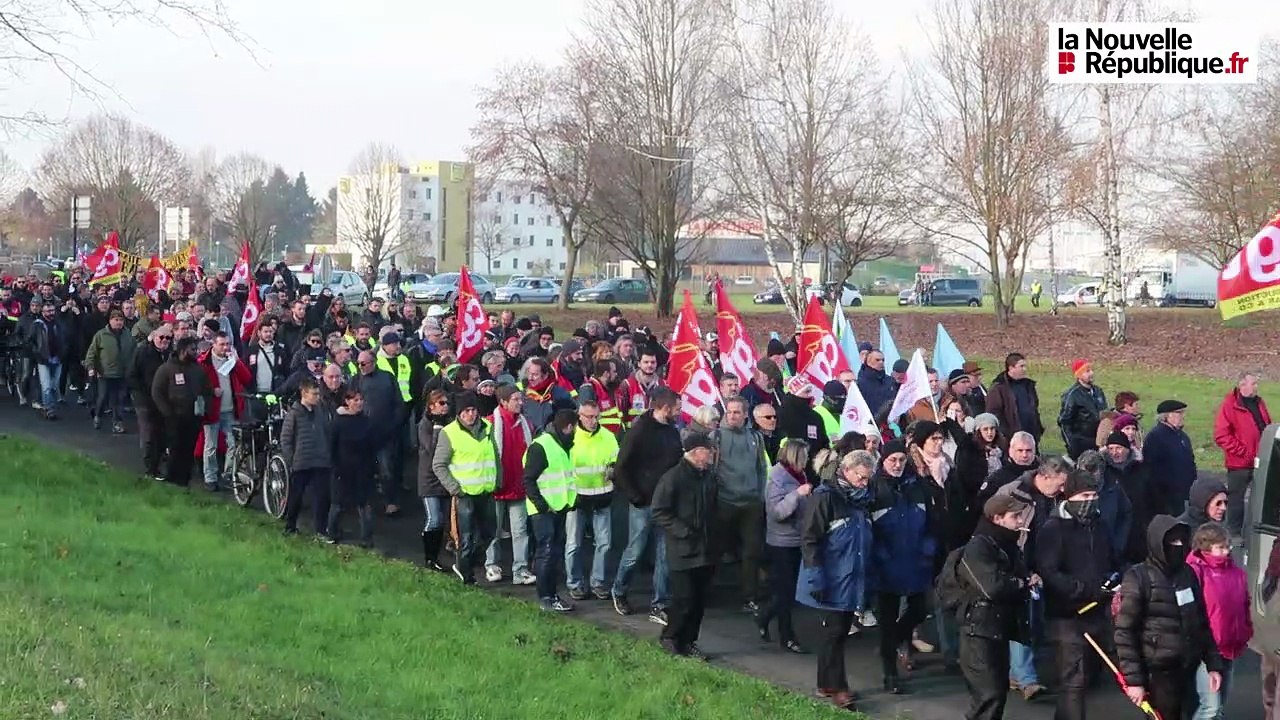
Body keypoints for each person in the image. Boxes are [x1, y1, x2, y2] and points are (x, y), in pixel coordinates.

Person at [1113, 515, 1225, 719]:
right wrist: (1135, 681)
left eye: (1182, 541)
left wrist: (1213, 664)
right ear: (1158, 543)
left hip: (1188, 665)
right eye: (1173, 541)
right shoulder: (1138, 577)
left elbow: (1201, 622)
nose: (1179, 546)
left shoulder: (1188, 574)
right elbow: (1125, 632)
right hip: (1158, 672)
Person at [1037, 469, 1120, 720]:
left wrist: (1113, 581)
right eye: (1084, 495)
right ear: (1069, 496)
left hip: (1098, 611)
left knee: (1086, 678)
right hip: (1067, 616)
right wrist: (1082, 590)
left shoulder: (1100, 525)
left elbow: (1114, 560)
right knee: (1074, 680)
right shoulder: (1053, 529)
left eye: (1093, 495)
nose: (1090, 501)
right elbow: (1049, 572)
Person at [796, 449, 875, 711]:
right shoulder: (825, 498)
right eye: (862, 478)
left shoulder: (860, 499)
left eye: (867, 479)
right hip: (831, 576)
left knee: (836, 633)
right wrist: (816, 576)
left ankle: (825, 684)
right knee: (834, 633)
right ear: (848, 471)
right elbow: (809, 538)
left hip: (850, 574)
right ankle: (838, 687)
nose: (865, 483)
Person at [956, 491, 1038, 720]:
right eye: (1015, 517)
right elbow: (992, 587)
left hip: (997, 629)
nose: (1021, 521)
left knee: (997, 693)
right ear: (997, 518)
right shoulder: (979, 547)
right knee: (989, 695)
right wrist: (1021, 583)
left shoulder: (1008, 545)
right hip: (978, 632)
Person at [869, 440, 936, 693]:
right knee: (886, 620)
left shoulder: (917, 487)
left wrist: (928, 548)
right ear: (883, 461)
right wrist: (880, 554)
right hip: (886, 567)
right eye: (892, 460)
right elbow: (869, 528)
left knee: (920, 609)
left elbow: (930, 521)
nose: (897, 465)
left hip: (915, 562)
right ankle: (890, 674)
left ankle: (893, 642)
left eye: (901, 460)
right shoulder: (875, 489)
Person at [611, 387, 682, 624]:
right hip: (643, 502)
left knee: (664, 556)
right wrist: (634, 496)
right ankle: (619, 590)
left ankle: (660, 604)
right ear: (665, 408)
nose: (680, 412)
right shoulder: (639, 431)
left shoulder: (672, 431)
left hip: (666, 503)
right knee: (635, 550)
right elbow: (621, 467)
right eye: (677, 408)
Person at [651, 432, 719, 660]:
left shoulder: (708, 476)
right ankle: (670, 636)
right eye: (708, 450)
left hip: (706, 548)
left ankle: (689, 641)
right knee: (684, 598)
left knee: (699, 601)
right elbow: (660, 510)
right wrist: (682, 531)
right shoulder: (673, 478)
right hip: (683, 550)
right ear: (696, 452)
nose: (711, 454)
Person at [432, 391, 499, 585]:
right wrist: (455, 488)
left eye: (473, 410)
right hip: (464, 494)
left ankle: (467, 561)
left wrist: (498, 480)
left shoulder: (488, 427)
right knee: (466, 537)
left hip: (487, 490)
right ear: (459, 413)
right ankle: (466, 574)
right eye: (466, 411)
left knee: (489, 533)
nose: (470, 414)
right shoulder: (449, 433)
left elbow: (494, 455)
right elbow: (438, 465)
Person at [1186, 522, 1251, 720]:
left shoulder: (1236, 572)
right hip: (1207, 649)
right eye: (1221, 547)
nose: (1227, 551)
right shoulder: (1195, 572)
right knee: (1210, 707)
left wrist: (1246, 630)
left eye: (1227, 546)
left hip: (1231, 645)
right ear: (1205, 548)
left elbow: (1244, 604)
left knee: (1219, 707)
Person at [713, 396, 769, 612]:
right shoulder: (716, 436)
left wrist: (760, 496)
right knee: (716, 549)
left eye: (737, 412)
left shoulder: (755, 437)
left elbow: (761, 468)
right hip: (725, 502)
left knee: (751, 552)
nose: (732, 416)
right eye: (729, 412)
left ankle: (749, 597)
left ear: (746, 414)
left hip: (751, 503)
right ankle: (709, 594)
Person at [758, 439, 813, 654]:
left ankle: (764, 616)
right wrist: (796, 495)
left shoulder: (799, 475)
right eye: (805, 456)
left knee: (789, 591)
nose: (808, 460)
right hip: (781, 542)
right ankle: (787, 636)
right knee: (785, 591)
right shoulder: (778, 477)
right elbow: (777, 512)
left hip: (798, 539)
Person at [524, 409, 579, 612]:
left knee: (553, 553)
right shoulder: (542, 446)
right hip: (544, 510)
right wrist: (541, 504)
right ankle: (546, 598)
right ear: (569, 427)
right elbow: (528, 479)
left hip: (558, 508)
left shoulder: (563, 445)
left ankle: (551, 596)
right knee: (546, 553)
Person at [565, 400, 619, 601]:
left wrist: (613, 469)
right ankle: (575, 583)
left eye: (596, 416)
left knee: (604, 543)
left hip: (602, 496)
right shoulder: (571, 437)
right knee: (573, 544)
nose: (593, 420)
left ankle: (598, 582)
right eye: (588, 416)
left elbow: (616, 459)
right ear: (579, 415)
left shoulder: (608, 437)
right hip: (577, 497)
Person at [486, 384, 535, 585]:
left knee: (520, 530)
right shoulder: (489, 424)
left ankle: (520, 569)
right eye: (515, 399)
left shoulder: (525, 424)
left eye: (520, 399)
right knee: (493, 529)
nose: (520, 403)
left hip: (518, 486)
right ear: (503, 402)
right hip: (497, 486)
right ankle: (491, 564)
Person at [1214, 373, 1270, 537]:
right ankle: (1234, 534)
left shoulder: (1259, 402)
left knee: (1261, 498)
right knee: (1236, 500)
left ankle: (1257, 532)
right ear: (1242, 385)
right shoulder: (1230, 405)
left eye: (1256, 383)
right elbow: (1221, 435)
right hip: (1239, 463)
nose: (1256, 387)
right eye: (1253, 383)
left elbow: (1265, 424)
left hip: (1261, 459)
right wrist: (1243, 452)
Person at [150, 336, 211, 486]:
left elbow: (206, 390)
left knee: (189, 449)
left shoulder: (198, 369)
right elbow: (157, 392)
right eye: (192, 349)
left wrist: (204, 408)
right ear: (183, 350)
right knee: (175, 448)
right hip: (173, 417)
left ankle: (184, 480)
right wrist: (167, 412)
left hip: (193, 417)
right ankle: (171, 479)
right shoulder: (167, 369)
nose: (196, 352)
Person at [327, 388, 384, 546]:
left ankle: (367, 538)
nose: (359, 403)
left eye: (360, 400)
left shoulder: (367, 422)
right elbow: (331, 447)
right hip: (343, 469)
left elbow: (373, 447)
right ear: (347, 401)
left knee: (364, 504)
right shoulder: (338, 422)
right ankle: (331, 533)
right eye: (355, 400)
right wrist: (335, 467)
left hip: (363, 469)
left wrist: (375, 469)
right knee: (338, 504)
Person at [197, 332, 252, 492]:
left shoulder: (232, 360)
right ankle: (210, 477)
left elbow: (247, 378)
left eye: (228, 344)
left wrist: (237, 361)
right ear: (213, 344)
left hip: (230, 409)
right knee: (211, 445)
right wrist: (211, 391)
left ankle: (228, 474)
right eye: (222, 344)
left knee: (233, 444)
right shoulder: (204, 362)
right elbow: (198, 384)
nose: (225, 347)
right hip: (213, 409)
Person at [280, 376, 334, 537]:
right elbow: (286, 438)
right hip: (301, 462)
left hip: (320, 460)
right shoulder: (294, 414)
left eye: (318, 394)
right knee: (296, 497)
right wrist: (291, 460)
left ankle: (321, 529)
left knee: (322, 497)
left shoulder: (321, 411)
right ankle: (290, 527)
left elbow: (327, 432)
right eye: (314, 394)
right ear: (304, 393)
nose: (317, 397)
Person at [416, 390, 454, 572]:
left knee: (445, 520)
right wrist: (438, 429)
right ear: (431, 406)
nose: (445, 406)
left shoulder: (451, 422)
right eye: (441, 403)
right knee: (434, 519)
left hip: (446, 477)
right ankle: (429, 558)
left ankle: (436, 557)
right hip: (429, 479)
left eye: (447, 403)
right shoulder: (424, 425)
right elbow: (432, 449)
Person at [128, 325, 172, 479]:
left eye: (168, 338)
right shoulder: (143, 352)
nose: (164, 341)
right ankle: (149, 469)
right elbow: (132, 375)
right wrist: (141, 394)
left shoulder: (170, 355)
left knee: (162, 434)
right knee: (149, 434)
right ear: (154, 337)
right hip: (144, 399)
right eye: (161, 337)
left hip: (163, 400)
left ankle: (156, 466)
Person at [83, 310, 136, 434]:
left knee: (119, 399)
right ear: (110, 321)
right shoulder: (101, 335)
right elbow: (92, 353)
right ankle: (98, 415)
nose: (119, 322)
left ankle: (117, 422)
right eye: (116, 320)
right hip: (105, 373)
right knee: (103, 397)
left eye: (121, 320)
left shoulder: (128, 335)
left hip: (123, 373)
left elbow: (134, 352)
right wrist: (91, 367)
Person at [1145, 399, 1197, 516]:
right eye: (1179, 413)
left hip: (1184, 493)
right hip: (1166, 496)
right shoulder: (1155, 437)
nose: (1183, 416)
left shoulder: (1182, 436)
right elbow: (1152, 468)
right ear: (1167, 416)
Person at [984, 353, 1044, 444]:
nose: (1025, 369)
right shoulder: (999, 388)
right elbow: (994, 413)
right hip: (1011, 438)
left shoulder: (1028, 386)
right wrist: (1005, 434)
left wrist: (1038, 428)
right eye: (1021, 366)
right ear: (1011, 368)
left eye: (1025, 366)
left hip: (1031, 435)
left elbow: (1034, 407)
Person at [1058, 359, 1106, 460]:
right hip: (1081, 443)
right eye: (1087, 371)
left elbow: (1104, 414)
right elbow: (1064, 422)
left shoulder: (1098, 391)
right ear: (1078, 375)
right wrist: (1071, 444)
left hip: (1099, 441)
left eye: (1091, 370)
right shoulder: (1072, 395)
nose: (1091, 373)